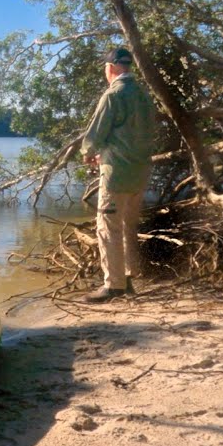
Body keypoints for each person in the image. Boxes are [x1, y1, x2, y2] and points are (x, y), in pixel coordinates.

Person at [79, 47, 156, 303]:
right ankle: (129, 278)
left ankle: (114, 286)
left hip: (118, 175)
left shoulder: (114, 94)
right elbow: (134, 136)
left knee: (107, 228)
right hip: (140, 171)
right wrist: (110, 152)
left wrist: (88, 153)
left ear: (110, 68)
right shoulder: (143, 95)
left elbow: (95, 132)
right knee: (128, 225)